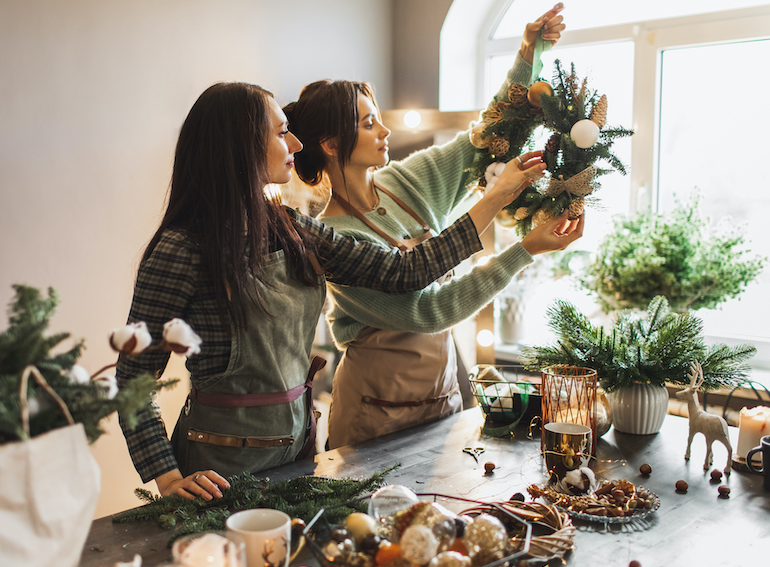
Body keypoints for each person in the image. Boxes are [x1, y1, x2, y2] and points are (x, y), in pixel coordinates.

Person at [116, 80, 549, 501]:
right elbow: (133, 377)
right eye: (282, 133)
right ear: (242, 144)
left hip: (302, 454)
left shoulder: (289, 226)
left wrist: (501, 202)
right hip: (219, 468)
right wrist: (168, 476)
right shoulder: (181, 249)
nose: (296, 145)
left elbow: (406, 272)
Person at [285, 4, 580, 449]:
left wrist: (526, 55)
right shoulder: (336, 240)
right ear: (330, 144)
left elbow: (485, 140)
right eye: (368, 123)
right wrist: (523, 249)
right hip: (371, 416)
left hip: (441, 399)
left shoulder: (406, 181)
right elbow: (431, 310)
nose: (384, 130)